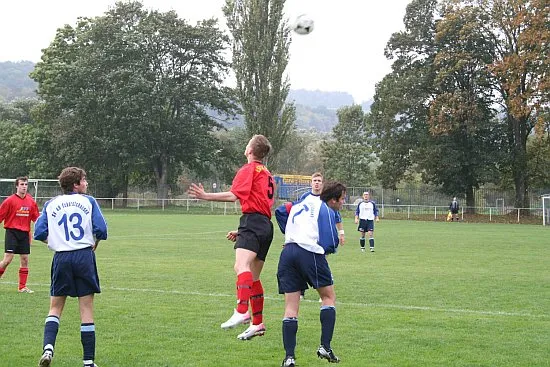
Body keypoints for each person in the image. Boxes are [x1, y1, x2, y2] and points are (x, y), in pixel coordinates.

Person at [188, 134, 275, 341]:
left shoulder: (249, 168)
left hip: (252, 222)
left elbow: (234, 195)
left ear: (250, 150)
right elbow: (260, 202)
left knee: (240, 266)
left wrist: (205, 196)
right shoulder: (267, 173)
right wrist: (243, 232)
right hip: (265, 226)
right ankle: (257, 323)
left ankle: (242, 310)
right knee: (253, 277)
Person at [33, 167, 108, 367]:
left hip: (61, 258)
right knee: (86, 309)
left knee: (55, 307)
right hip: (84, 256)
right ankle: (88, 362)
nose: (86, 183)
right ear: (76, 184)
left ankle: (48, 349)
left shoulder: (51, 204)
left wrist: (55, 241)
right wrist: (95, 243)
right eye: (84, 180)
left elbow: (39, 233)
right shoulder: (89, 201)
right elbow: (101, 229)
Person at [276, 181, 346, 367]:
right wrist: (327, 250)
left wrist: (291, 234)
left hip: (288, 252)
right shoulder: (325, 209)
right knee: (328, 297)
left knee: (291, 308)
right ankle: (325, 346)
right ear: (333, 199)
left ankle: (289, 358)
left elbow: (280, 211)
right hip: (309, 253)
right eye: (342, 199)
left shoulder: (301, 203)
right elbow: (331, 241)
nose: (343, 203)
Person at [296, 172, 345, 300]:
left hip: (322, 236)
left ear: (322, 183)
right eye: (315, 180)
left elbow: (336, 217)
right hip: (306, 237)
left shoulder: (326, 198)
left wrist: (341, 233)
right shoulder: (305, 197)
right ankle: (301, 291)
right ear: (311, 183)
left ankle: (325, 290)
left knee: (322, 262)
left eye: (319, 180)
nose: (317, 183)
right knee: (302, 263)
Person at [0, 176, 40, 293]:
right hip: (12, 232)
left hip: (24, 233)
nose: (24, 187)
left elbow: (36, 219)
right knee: (7, 259)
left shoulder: (31, 202)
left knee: (25, 259)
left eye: (26, 184)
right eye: (22, 184)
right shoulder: (9, 201)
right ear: (17, 186)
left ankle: (22, 287)